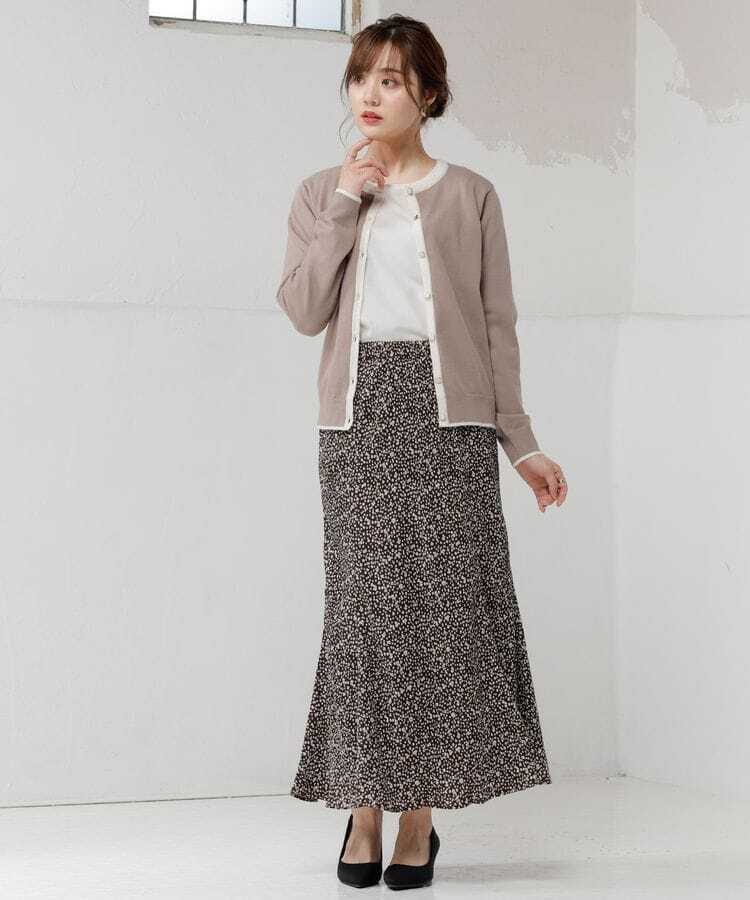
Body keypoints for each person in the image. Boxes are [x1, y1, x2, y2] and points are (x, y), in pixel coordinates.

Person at [275, 13, 568, 891]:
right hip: (359, 422)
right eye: (362, 76)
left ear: (428, 94)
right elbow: (302, 309)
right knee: (365, 618)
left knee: (443, 619)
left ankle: (419, 822)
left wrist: (522, 444)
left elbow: (496, 325)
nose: (370, 93)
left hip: (453, 427)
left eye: (392, 79)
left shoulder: (471, 195)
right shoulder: (319, 192)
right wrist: (346, 200)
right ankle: (363, 809)